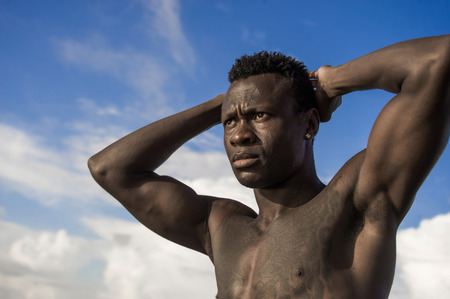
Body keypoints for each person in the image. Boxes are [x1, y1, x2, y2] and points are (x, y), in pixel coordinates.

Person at [88, 35, 450, 298]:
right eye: (230, 122)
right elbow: (110, 169)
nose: (239, 135)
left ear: (309, 124)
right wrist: (222, 104)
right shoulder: (220, 226)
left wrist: (329, 82)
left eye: (260, 115)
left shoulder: (354, 202)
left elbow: (437, 61)